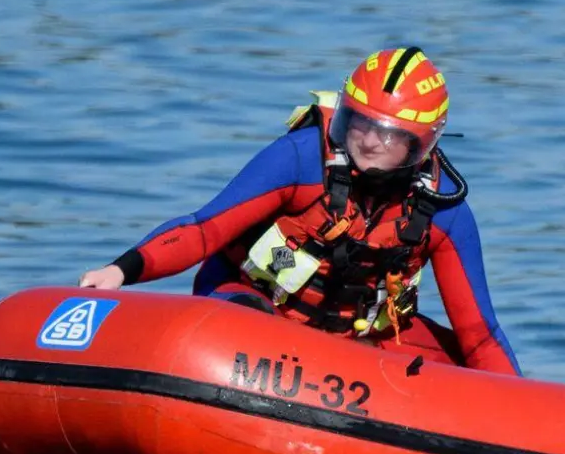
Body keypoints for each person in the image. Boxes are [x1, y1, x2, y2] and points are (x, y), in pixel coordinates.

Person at [78, 47, 520, 375]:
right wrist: (120, 271)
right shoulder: (301, 158)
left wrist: (525, 413)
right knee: (248, 327)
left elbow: (480, 332)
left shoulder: (444, 211)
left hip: (354, 339)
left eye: (386, 134)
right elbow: (203, 230)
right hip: (250, 303)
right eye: (360, 123)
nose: (367, 141)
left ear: (419, 145)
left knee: (463, 364)